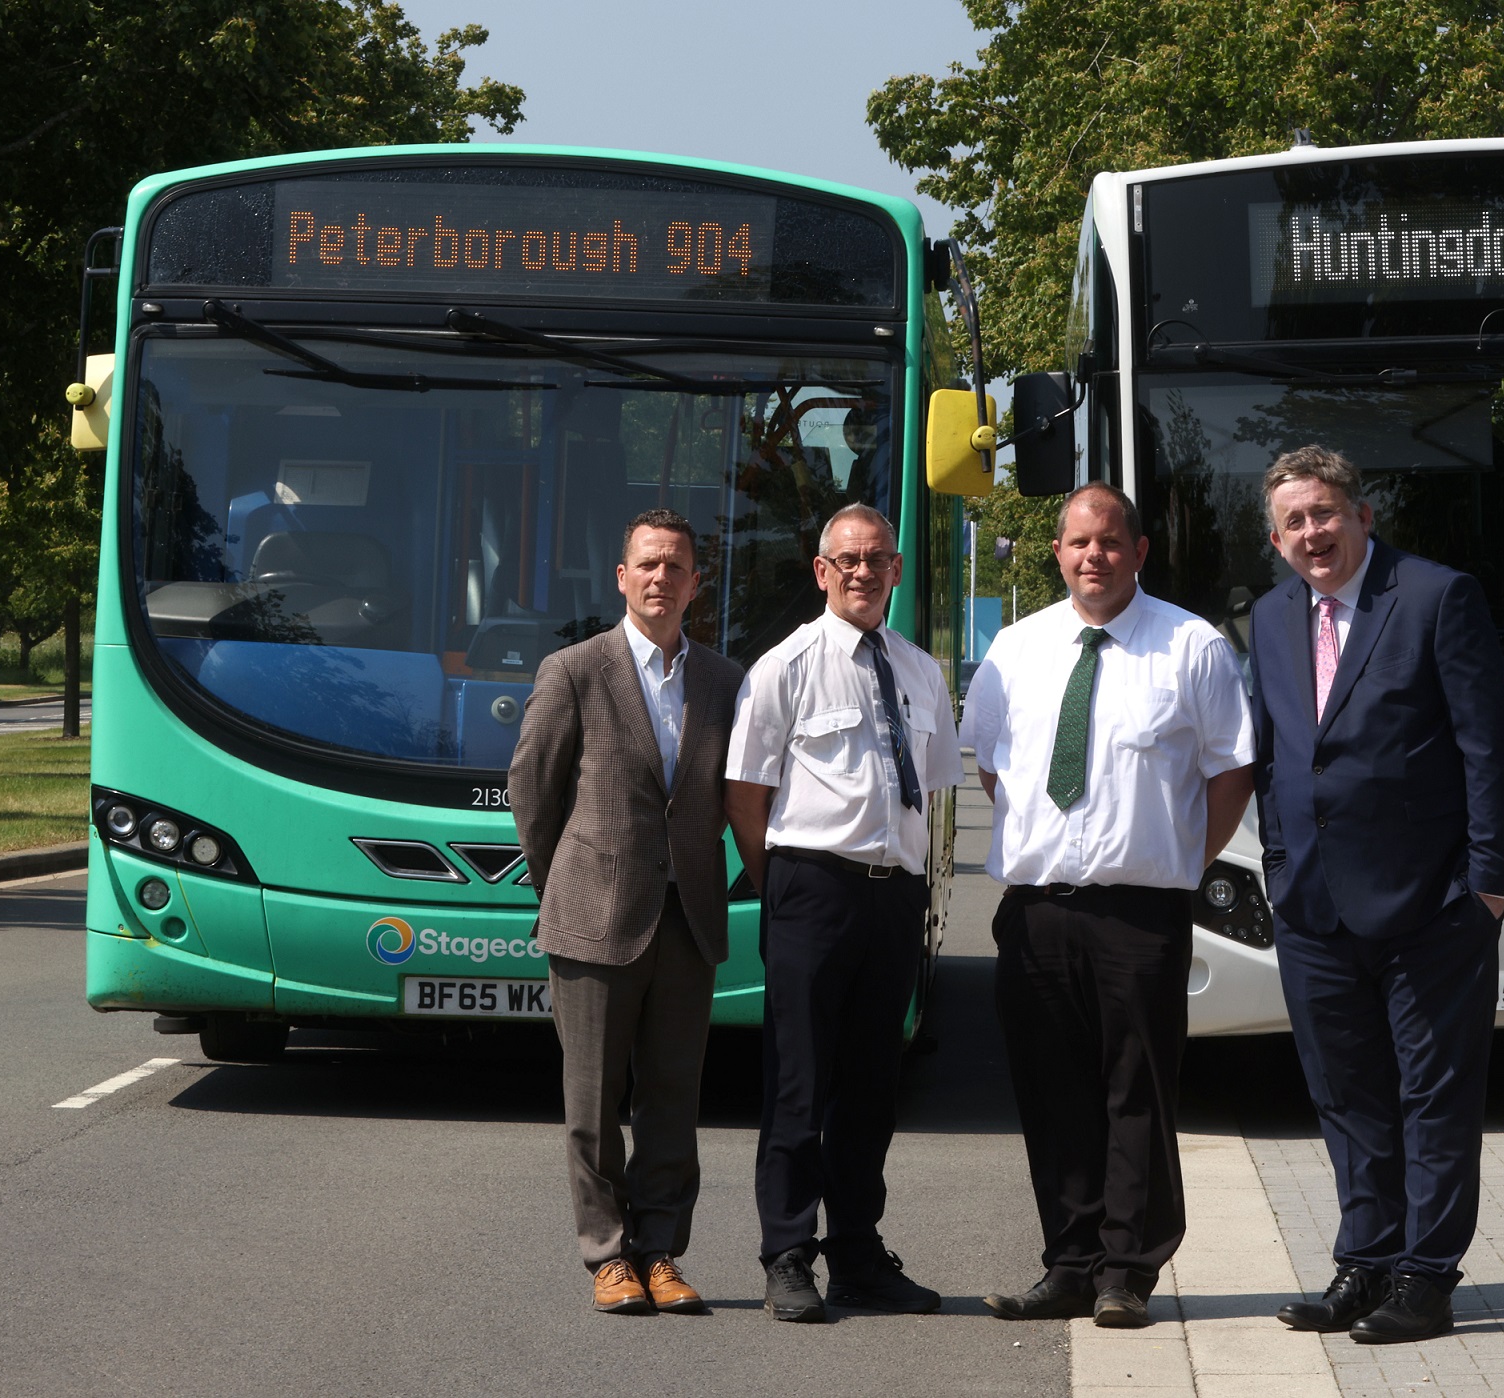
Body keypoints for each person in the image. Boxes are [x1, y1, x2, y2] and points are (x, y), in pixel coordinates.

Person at [1248, 445, 1504, 1344]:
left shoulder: (1437, 596)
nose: (1311, 533)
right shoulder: (1269, 616)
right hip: (1314, 911)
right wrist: (1279, 869)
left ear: (1361, 514)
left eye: (1324, 512)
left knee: (1432, 1097)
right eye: (1293, 521)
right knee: (1345, 1094)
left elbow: (1489, 747)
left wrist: (1486, 883)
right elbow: (1277, 756)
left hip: (1431, 905)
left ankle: (1428, 1277)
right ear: (1276, 537)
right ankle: (1364, 1264)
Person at [966, 483, 1255, 1329]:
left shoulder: (1189, 647)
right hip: (1036, 913)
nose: (1093, 555)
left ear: (1139, 552)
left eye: (1110, 542)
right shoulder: (1014, 648)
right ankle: (1068, 1263)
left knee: (1136, 1093)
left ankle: (1125, 1271)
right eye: (1078, 542)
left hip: (1140, 915)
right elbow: (994, 765)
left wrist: (1178, 859)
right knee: (1051, 1091)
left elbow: (1230, 769)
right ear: (1057, 553)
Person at [723, 503, 961, 1324]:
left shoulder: (921, 670)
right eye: (847, 560)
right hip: (810, 890)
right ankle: (786, 1255)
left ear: (896, 571)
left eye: (877, 560)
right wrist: (785, 883)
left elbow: (929, 784)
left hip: (891, 894)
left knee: (870, 1089)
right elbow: (745, 791)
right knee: (799, 1084)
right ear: (821, 571)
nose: (863, 572)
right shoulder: (784, 666)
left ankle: (859, 1254)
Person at [508, 507, 744, 1316]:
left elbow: (732, 795)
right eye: (646, 564)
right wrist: (564, 883)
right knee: (592, 1103)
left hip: (688, 918)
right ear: (621, 576)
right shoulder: (574, 669)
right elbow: (533, 791)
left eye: (675, 566)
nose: (659, 578)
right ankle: (607, 1255)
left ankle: (661, 1253)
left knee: (672, 1101)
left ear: (694, 584)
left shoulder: (722, 680)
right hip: (593, 918)